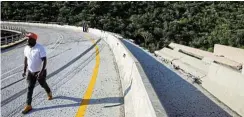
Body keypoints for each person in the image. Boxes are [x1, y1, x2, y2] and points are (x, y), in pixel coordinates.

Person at [21, 32, 52, 114]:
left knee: (42, 84)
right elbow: (26, 59)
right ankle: (28, 105)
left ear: (33, 40)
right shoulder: (26, 48)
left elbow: (44, 60)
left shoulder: (40, 48)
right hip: (31, 71)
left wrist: (41, 72)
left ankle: (48, 91)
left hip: (40, 71)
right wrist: (24, 70)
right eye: (27, 38)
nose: (27, 40)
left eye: (29, 39)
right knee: (30, 87)